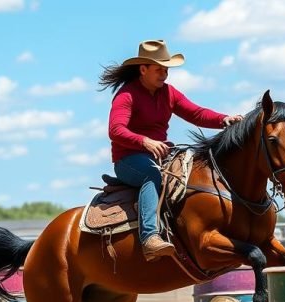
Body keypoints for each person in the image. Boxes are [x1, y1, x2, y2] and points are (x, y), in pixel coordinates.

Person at [101, 40, 243, 261]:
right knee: (152, 176)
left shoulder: (169, 93)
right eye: (159, 69)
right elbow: (115, 130)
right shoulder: (126, 95)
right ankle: (150, 237)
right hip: (129, 160)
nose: (164, 74)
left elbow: (196, 113)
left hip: (160, 156)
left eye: (166, 69)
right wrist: (145, 142)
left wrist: (223, 119)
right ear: (143, 69)